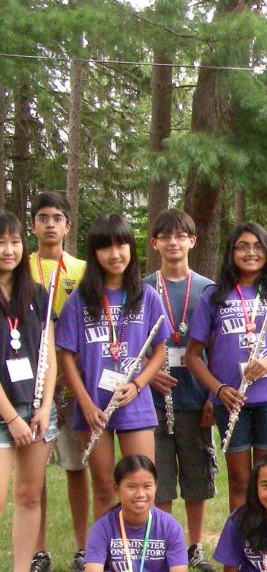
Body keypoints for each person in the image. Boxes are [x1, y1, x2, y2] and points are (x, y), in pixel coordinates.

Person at [186, 222, 267, 510]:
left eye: (257, 246)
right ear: (231, 252)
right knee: (240, 480)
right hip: (230, 399)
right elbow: (193, 356)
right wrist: (218, 390)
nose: (250, 252)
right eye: (242, 246)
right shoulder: (214, 297)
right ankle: (241, 547)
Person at [57, 213, 171, 521]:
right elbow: (66, 355)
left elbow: (160, 350)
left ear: (131, 249)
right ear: (94, 253)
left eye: (121, 245)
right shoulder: (80, 300)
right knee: (105, 488)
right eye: (105, 247)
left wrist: (138, 384)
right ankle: (105, 557)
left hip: (134, 404)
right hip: (93, 408)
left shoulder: (146, 296)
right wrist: (85, 403)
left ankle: (145, 555)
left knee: (142, 485)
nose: (115, 254)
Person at [144, 209, 218, 572]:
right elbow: (134, 342)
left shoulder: (208, 289)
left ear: (192, 241)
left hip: (195, 397)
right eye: (165, 236)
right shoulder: (143, 287)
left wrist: (212, 395)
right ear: (155, 243)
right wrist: (149, 373)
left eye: (180, 236)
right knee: (160, 478)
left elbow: (218, 347)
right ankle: (166, 545)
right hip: (152, 400)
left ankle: (194, 545)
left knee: (196, 474)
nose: (173, 243)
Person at [63, 455, 203, 572]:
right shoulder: (102, 527)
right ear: (116, 489)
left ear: (156, 486)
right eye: (131, 487)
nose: (140, 494)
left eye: (147, 486)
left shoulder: (170, 526)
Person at [27, 191, 89, 572]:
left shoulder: (82, 271)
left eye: (57, 217)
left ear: (68, 225)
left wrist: (68, 381)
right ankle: (38, 550)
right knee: (34, 475)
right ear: (33, 225)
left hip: (72, 382)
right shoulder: (20, 268)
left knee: (75, 466)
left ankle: (83, 548)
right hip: (28, 387)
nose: (50, 224)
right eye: (43, 217)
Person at [0, 211, 57, 572]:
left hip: (37, 409)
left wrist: (44, 407)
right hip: (4, 412)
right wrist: (12, 417)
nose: (9, 250)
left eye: (15, 242)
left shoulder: (36, 293)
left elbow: (48, 354)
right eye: (1, 243)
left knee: (29, 495)